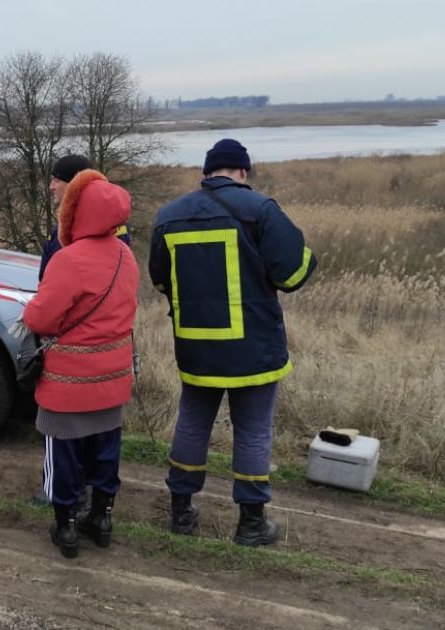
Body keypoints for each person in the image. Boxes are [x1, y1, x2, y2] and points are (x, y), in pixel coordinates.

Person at [148, 139, 317, 546]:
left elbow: (159, 280)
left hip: (196, 345)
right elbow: (293, 276)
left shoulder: (168, 216)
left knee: (192, 422)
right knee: (254, 430)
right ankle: (252, 523)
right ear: (243, 172)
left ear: (206, 173)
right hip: (254, 348)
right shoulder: (261, 210)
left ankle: (181, 513)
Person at [23, 168, 139, 559]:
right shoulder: (126, 255)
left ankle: (66, 527)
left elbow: (40, 319)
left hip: (69, 382)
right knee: (106, 451)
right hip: (114, 377)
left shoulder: (68, 259)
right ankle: (102, 520)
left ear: (75, 212)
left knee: (64, 456)